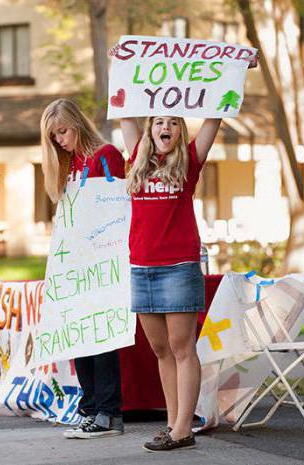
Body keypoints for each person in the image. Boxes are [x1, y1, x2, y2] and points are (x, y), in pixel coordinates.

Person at [118, 115, 220, 451]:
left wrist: (233, 69)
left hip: (178, 266)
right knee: (161, 350)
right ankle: (173, 424)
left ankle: (183, 430)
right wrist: (119, 61)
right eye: (160, 122)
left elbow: (213, 118)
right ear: (150, 129)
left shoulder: (189, 161)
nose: (167, 128)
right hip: (142, 267)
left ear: (181, 130)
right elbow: (124, 109)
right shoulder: (137, 160)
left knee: (182, 348)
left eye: (174, 123)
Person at [40, 98, 125, 438]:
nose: (59, 140)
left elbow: (116, 207)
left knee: (102, 339)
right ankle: (89, 408)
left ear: (77, 124)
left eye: (62, 131)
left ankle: (107, 413)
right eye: (53, 136)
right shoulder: (67, 164)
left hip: (103, 261)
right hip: (74, 265)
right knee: (79, 340)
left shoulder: (106, 156)